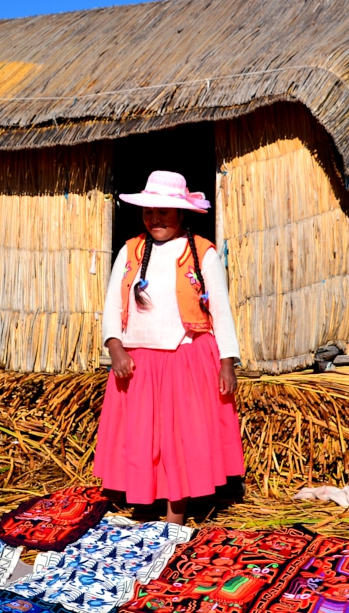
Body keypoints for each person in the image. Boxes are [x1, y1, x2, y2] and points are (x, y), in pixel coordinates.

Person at [95, 170, 245, 525]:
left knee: (178, 438)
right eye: (149, 211)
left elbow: (220, 309)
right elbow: (113, 306)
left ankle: (174, 514)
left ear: (181, 213)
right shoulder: (130, 251)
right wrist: (115, 348)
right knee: (142, 438)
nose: (156, 218)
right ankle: (142, 502)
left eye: (164, 211)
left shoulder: (202, 253)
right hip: (138, 362)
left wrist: (227, 361)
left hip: (185, 359)